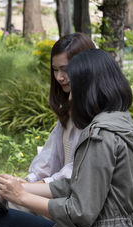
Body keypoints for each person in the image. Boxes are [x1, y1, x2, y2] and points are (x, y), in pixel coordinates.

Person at [0, 49, 133, 227]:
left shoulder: (100, 136)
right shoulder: (122, 123)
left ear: (90, 89)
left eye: (75, 89)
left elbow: (80, 212)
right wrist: (19, 188)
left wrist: (22, 198)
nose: (70, 96)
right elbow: (79, 185)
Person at [26, 32, 95, 184]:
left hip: (77, 200)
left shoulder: (98, 116)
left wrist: (39, 185)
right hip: (62, 194)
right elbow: (50, 157)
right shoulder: (67, 110)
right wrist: (29, 180)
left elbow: (78, 169)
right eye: (55, 70)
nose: (59, 77)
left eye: (65, 69)